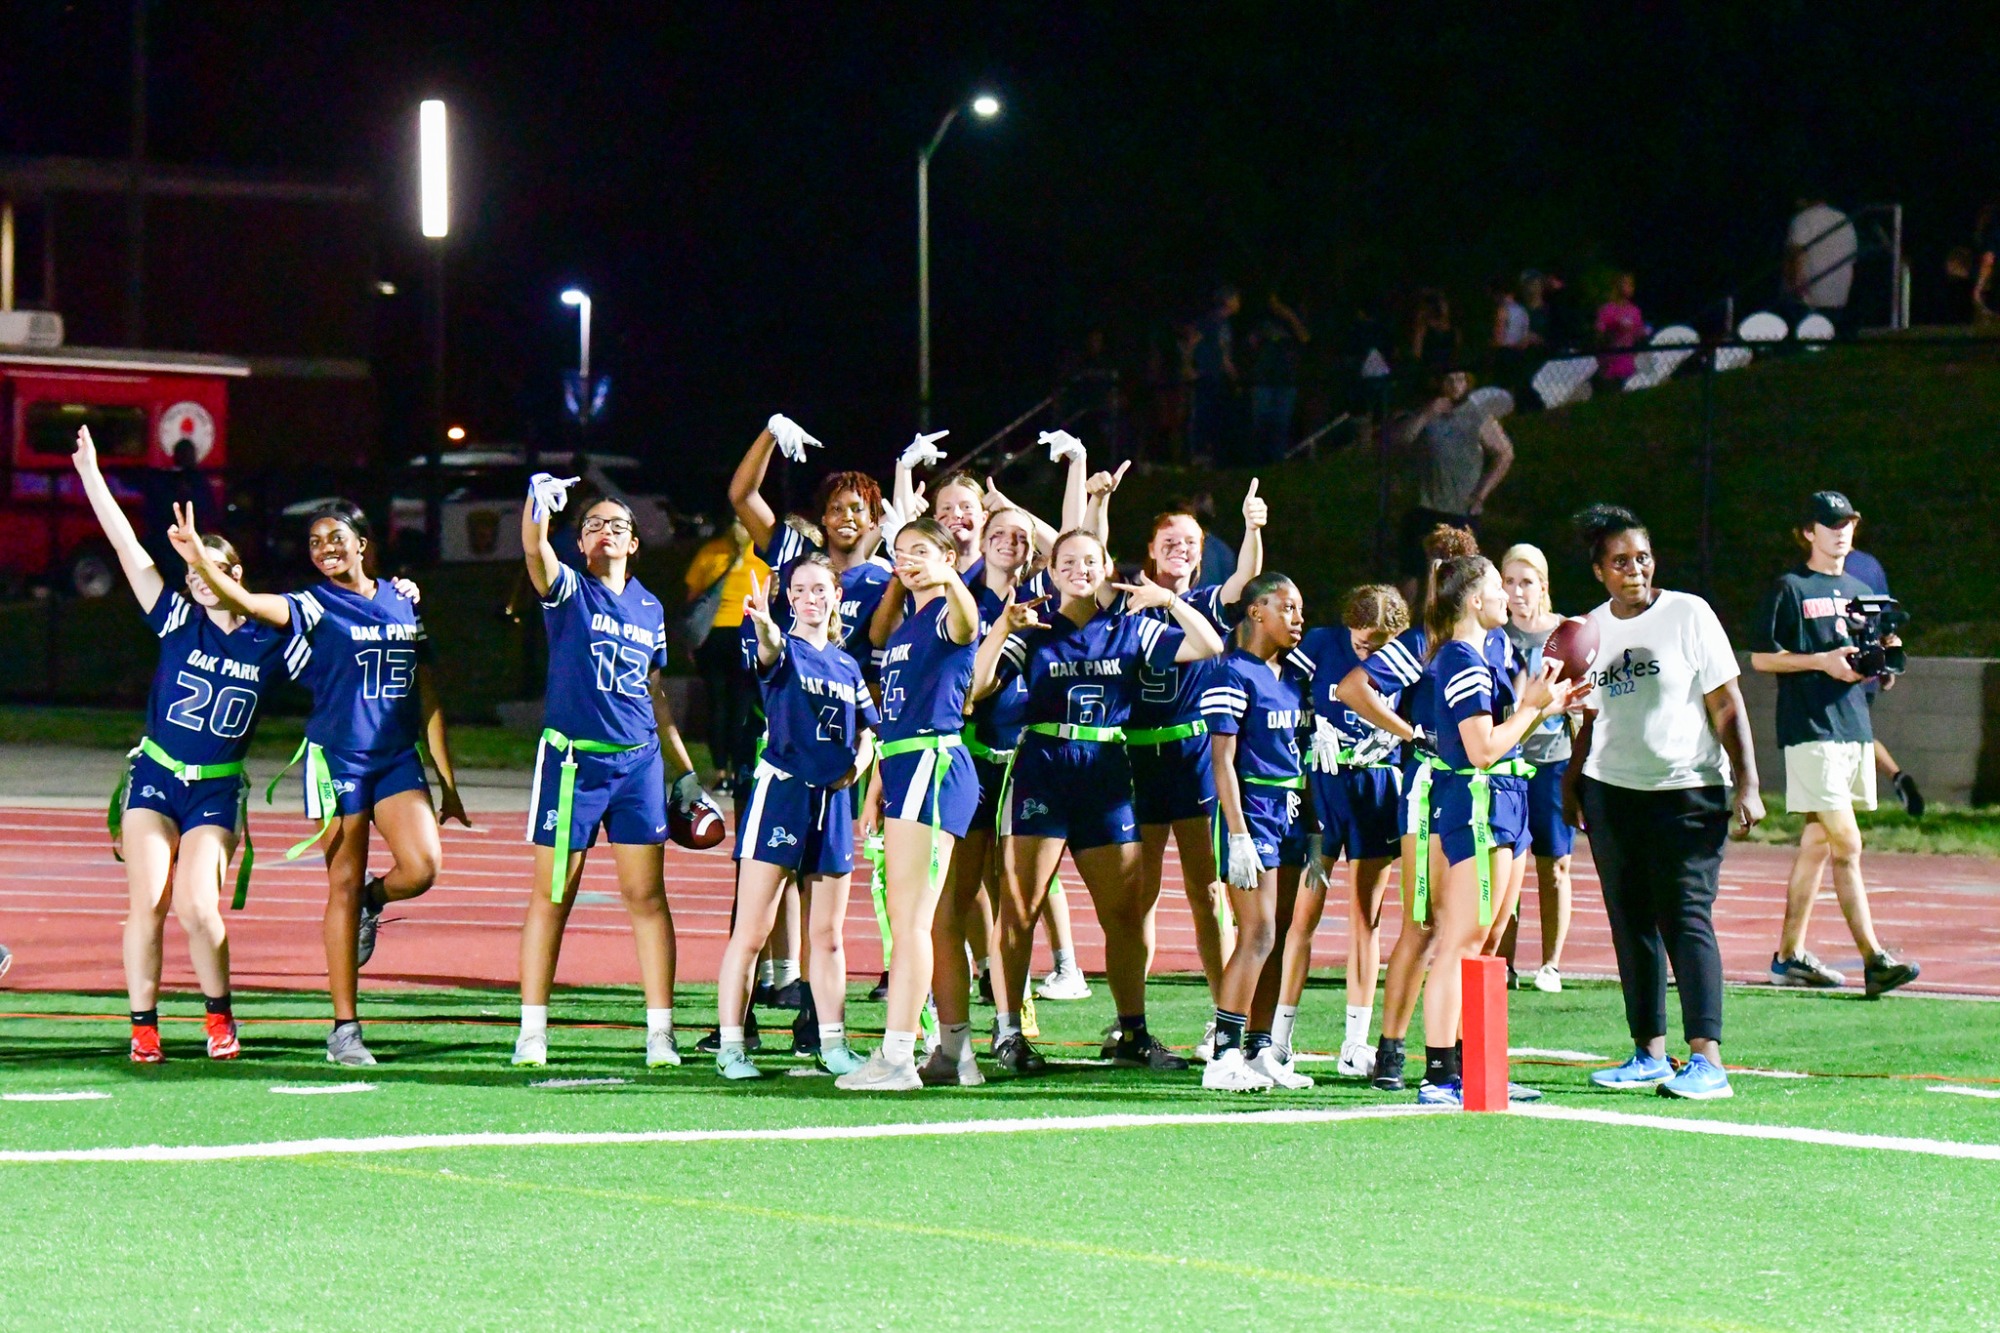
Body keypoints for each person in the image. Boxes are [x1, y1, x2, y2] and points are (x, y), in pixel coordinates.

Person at [171, 499, 469, 1068]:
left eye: (336, 537)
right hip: (337, 760)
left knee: (423, 867)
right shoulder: (311, 604)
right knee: (341, 882)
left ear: (363, 542)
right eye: (314, 542)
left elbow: (426, 693)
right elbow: (246, 601)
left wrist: (447, 779)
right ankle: (345, 1029)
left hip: (395, 758)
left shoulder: (402, 600)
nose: (325, 548)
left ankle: (372, 903)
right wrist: (199, 562)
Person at [76, 426, 303, 1063]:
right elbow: (127, 549)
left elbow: (336, 628)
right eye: (190, 567)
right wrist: (92, 473)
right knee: (145, 904)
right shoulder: (179, 620)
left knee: (198, 907)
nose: (196, 577)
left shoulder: (266, 635)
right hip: (156, 775)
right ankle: (143, 1025)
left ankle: (217, 1018)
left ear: (235, 574)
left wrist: (399, 593)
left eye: (210, 567)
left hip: (215, 784)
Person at [973, 529, 1227, 1074]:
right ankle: (1008, 1031)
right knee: (1019, 909)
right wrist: (1000, 628)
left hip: (1107, 775)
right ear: (1052, 568)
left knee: (1126, 913)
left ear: (1107, 566)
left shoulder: (1132, 628)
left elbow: (1209, 646)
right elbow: (976, 687)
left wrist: (1171, 601)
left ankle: (1131, 1032)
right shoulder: (1034, 627)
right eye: (1068, 561)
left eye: (1090, 561)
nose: (1080, 569)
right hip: (1044, 768)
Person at [1563, 504, 1763, 1101]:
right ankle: (1648, 1052)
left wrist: (1748, 782)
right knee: (1631, 923)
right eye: (1620, 561)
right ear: (1600, 571)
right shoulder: (1587, 631)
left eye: (1643, 558)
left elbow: (1726, 704)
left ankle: (1708, 1060)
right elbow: (1589, 719)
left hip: (1688, 792)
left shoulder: (1688, 614)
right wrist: (1574, 782)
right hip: (1612, 794)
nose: (1635, 570)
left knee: (1685, 915)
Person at [511, 477, 705, 1070]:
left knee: (646, 896)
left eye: (618, 524)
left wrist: (686, 769)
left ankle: (660, 1033)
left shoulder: (650, 607)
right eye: (593, 524)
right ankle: (533, 1031)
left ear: (635, 542)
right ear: (580, 541)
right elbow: (533, 550)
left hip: (638, 762)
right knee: (553, 895)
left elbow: (655, 693)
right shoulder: (570, 588)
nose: (606, 531)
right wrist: (536, 506)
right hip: (574, 761)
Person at [1409, 555, 1585, 1106]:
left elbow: (1506, 736)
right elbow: (1482, 749)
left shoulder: (1488, 654)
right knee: (1460, 939)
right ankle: (1438, 1074)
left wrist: (1543, 707)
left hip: (1507, 800)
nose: (1507, 596)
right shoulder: (1461, 659)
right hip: (1475, 803)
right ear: (1472, 600)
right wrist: (1530, 707)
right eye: (1495, 587)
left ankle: (1476, 1068)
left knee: (1487, 944)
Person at [1750, 491, 1921, 998]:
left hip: (1852, 728)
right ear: (1808, 532)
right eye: (1829, 524)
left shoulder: (1860, 587)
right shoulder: (1790, 587)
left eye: (1846, 523)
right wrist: (1820, 661)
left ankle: (1788, 956)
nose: (1840, 532)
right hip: (1811, 730)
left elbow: (1872, 653)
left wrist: (1882, 665)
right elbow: (1762, 658)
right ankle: (1874, 959)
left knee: (1817, 843)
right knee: (1848, 842)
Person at [716, 557, 877, 1078]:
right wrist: (764, 625)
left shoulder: (848, 665)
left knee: (828, 934)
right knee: (753, 930)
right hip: (783, 793)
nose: (810, 597)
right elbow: (769, 652)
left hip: (832, 802)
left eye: (820, 589)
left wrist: (860, 759)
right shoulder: (785, 649)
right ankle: (732, 1047)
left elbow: (869, 729)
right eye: (800, 590)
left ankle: (832, 1042)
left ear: (835, 595)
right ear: (788, 598)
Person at [1125, 482, 1266, 1059]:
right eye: (1169, 541)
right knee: (1140, 894)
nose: (1180, 549)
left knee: (1208, 891)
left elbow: (1245, 583)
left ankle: (1222, 1018)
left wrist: (1254, 526)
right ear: (1151, 551)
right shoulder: (1129, 596)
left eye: (1190, 542)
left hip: (1192, 757)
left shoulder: (1206, 601)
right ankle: (1131, 1023)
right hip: (1138, 756)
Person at [843, 516, 981, 1090]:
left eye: (921, 550)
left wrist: (950, 577)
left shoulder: (949, 613)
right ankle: (951, 1055)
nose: (907, 559)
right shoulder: (904, 628)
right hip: (904, 766)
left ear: (948, 556)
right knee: (912, 921)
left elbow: (971, 623)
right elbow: (896, 715)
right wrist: (877, 781)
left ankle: (899, 1056)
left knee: (911, 921)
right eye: (901, 551)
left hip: (934, 765)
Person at [1288, 584, 1424, 1079]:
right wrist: (1305, 729)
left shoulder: (1405, 654)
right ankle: (1278, 1038)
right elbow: (1281, 686)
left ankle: (1355, 1042)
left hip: (1376, 789)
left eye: (1379, 645)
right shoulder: (1323, 643)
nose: (1369, 652)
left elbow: (1420, 711)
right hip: (1321, 789)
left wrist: (1399, 731)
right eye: (1363, 642)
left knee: (1365, 917)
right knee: (1303, 913)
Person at [1370, 524, 1478, 1092]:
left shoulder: (1490, 642)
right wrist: (1409, 733)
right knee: (1425, 923)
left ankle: (1462, 1054)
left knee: (1471, 929)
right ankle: (1392, 1047)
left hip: (1479, 796)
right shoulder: (1421, 646)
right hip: (1430, 795)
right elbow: (1356, 687)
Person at [1200, 574, 1316, 1091]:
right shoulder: (1232, 672)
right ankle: (1223, 1053)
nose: (1298, 618)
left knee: (1282, 932)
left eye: (1300, 608)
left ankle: (1261, 1048)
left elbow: (1302, 748)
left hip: (1289, 807)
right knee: (1258, 930)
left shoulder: (1294, 674)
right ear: (1255, 612)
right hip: (1252, 806)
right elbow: (1221, 760)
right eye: (1286, 607)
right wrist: (1238, 832)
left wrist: (1313, 825)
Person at [1497, 544, 1575, 992]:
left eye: (1526, 582)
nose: (1517, 591)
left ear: (1543, 586)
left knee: (1555, 864)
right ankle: (1503, 961)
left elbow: (1583, 699)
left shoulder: (1566, 635)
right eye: (1509, 581)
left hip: (1551, 760)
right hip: (1507, 763)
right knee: (1507, 865)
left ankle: (1551, 963)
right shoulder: (1495, 635)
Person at [1396, 371, 1514, 589]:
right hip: (1424, 504)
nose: (1455, 386)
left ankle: (1442, 621)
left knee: (1451, 579)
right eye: (1449, 380)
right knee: (1412, 572)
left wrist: (1481, 494)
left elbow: (1505, 454)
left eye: (1460, 380)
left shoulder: (1476, 416)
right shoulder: (1429, 412)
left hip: (1459, 509)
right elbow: (1402, 440)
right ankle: (1404, 622)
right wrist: (1427, 414)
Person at [1842, 544, 1924, 816]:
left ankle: (1837, 814)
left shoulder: (1820, 571)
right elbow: (1885, 619)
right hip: (1867, 665)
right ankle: (1897, 778)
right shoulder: (1871, 565)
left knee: (1845, 740)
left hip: (1842, 667)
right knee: (1857, 736)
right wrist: (1886, 661)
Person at [683, 520, 765, 793]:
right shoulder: (763, 556)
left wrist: (691, 643)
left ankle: (721, 773)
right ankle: (740, 769)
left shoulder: (711, 552)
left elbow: (694, 598)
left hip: (714, 638)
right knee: (742, 707)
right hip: (746, 636)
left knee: (717, 705)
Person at [1246, 294, 1310, 463]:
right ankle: (1259, 461)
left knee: (1281, 423)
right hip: (1264, 379)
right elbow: (1251, 343)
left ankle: (1277, 460)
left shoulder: (1294, 319)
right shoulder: (1262, 320)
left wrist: (1289, 316)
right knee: (1261, 422)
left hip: (1286, 379)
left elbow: (1304, 338)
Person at [1784, 198, 1858, 332]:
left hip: (1809, 298)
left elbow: (1795, 254)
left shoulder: (1803, 219)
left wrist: (1794, 285)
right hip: (1839, 295)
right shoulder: (1843, 218)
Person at [1188, 286, 1241, 464]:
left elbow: (1224, 353)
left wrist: (1232, 374)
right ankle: (1199, 454)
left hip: (1217, 376)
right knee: (1204, 413)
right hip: (1205, 375)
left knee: (1215, 415)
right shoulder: (1210, 321)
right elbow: (1193, 341)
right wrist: (1189, 366)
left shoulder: (1224, 325)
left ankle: (1211, 454)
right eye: (1235, 298)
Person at [1593, 272, 1648, 391]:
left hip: (1629, 365)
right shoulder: (1607, 309)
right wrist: (1613, 330)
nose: (1630, 288)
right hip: (1610, 364)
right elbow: (1598, 336)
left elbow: (1639, 334)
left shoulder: (1635, 311)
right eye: (1627, 284)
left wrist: (1642, 333)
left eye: (1632, 285)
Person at [1409, 288, 1460, 376]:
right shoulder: (1424, 327)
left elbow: (1456, 352)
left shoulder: (1454, 329)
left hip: (1448, 370)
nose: (1444, 307)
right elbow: (1417, 353)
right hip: (1429, 371)